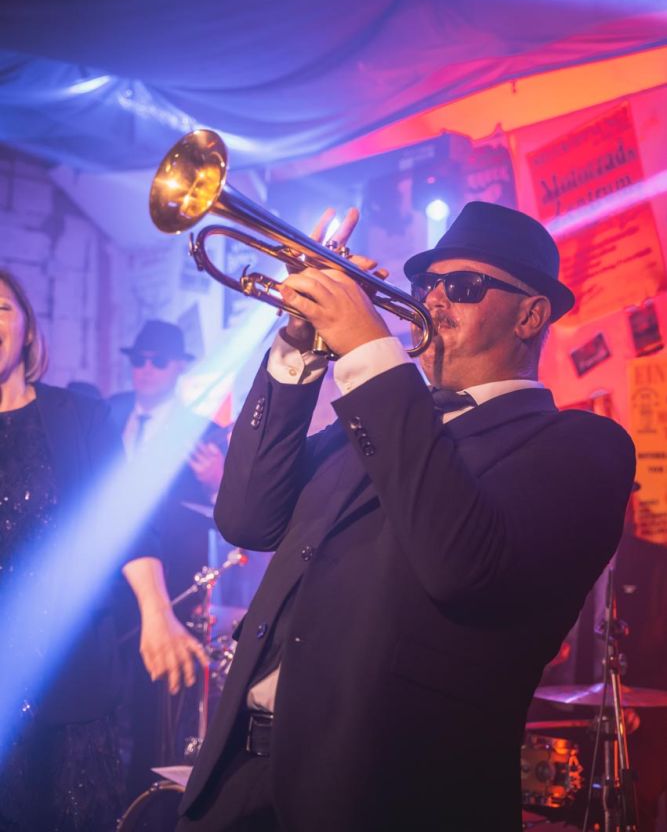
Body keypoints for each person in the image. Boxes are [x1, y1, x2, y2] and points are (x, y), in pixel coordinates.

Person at [176, 201, 636, 832]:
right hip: (241, 779)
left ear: (530, 315)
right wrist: (298, 346)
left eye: (464, 286)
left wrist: (370, 351)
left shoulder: (580, 446)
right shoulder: (374, 425)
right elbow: (247, 519)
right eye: (426, 284)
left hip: (382, 800)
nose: (433, 300)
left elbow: (463, 566)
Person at [0, 269, 205, 832]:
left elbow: (123, 522)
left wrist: (156, 612)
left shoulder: (79, 417)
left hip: (72, 665)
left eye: (0, 308)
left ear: (28, 329)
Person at [108, 319, 228, 795]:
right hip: (106, 586)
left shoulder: (203, 432)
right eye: (139, 360)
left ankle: (144, 802)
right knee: (100, 695)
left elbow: (235, 518)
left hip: (172, 589)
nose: (146, 369)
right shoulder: (106, 413)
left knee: (154, 708)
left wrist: (217, 482)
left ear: (178, 367)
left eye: (158, 361)